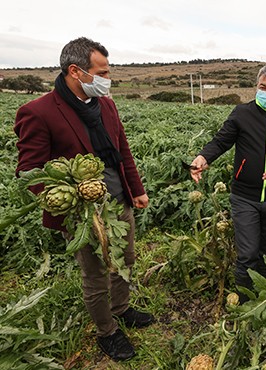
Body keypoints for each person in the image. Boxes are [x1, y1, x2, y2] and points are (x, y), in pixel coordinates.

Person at [14, 37, 153, 361]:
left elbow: (123, 151)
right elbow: (29, 172)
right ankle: (107, 331)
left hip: (119, 200)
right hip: (83, 215)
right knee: (95, 274)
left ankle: (121, 309)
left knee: (126, 259)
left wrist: (137, 188)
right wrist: (72, 196)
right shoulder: (38, 112)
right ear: (76, 71)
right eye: (102, 71)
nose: (108, 78)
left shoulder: (105, 104)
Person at [190, 65, 266, 303]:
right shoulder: (241, 113)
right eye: (262, 87)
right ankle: (244, 303)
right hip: (244, 197)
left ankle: (264, 298)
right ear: (256, 87)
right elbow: (221, 141)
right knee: (247, 253)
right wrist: (204, 157)